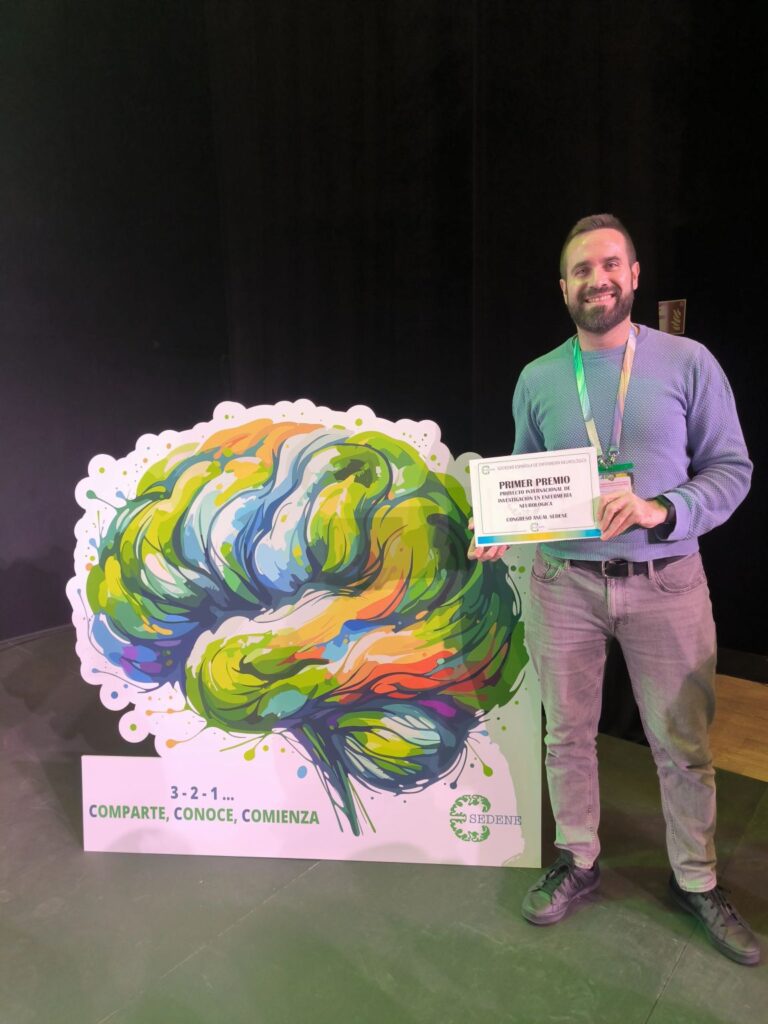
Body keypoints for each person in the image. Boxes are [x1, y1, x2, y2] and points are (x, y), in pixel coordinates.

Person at [469, 213, 760, 965]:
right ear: (563, 287)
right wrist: (500, 529)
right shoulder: (538, 377)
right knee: (566, 734)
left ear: (633, 275)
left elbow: (732, 470)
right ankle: (579, 858)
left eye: (609, 265)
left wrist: (664, 509)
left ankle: (696, 879)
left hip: (667, 580)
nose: (596, 280)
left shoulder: (688, 362)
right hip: (561, 583)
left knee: (682, 743)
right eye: (581, 270)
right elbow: (524, 481)